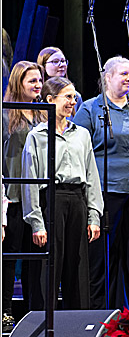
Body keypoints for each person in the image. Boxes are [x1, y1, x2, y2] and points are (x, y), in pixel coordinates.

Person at [73, 56, 129, 310]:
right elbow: (78, 148)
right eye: (123, 74)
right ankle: (100, 318)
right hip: (104, 194)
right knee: (104, 260)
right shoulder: (90, 109)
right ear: (107, 78)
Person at [21, 77, 104, 310]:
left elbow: (91, 176)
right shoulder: (36, 136)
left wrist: (94, 215)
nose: (73, 101)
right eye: (67, 96)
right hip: (51, 201)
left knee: (77, 268)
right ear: (50, 100)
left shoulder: (82, 134)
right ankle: (42, 333)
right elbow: (30, 180)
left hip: (77, 200)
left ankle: (76, 332)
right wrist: (37, 222)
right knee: (49, 269)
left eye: (74, 96)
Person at [2, 60, 45, 324]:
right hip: (13, 194)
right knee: (10, 257)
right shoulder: (6, 114)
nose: (38, 86)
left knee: (36, 259)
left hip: (37, 195)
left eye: (39, 81)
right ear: (19, 83)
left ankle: (33, 313)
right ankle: (5, 311)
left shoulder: (42, 113)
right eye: (32, 81)